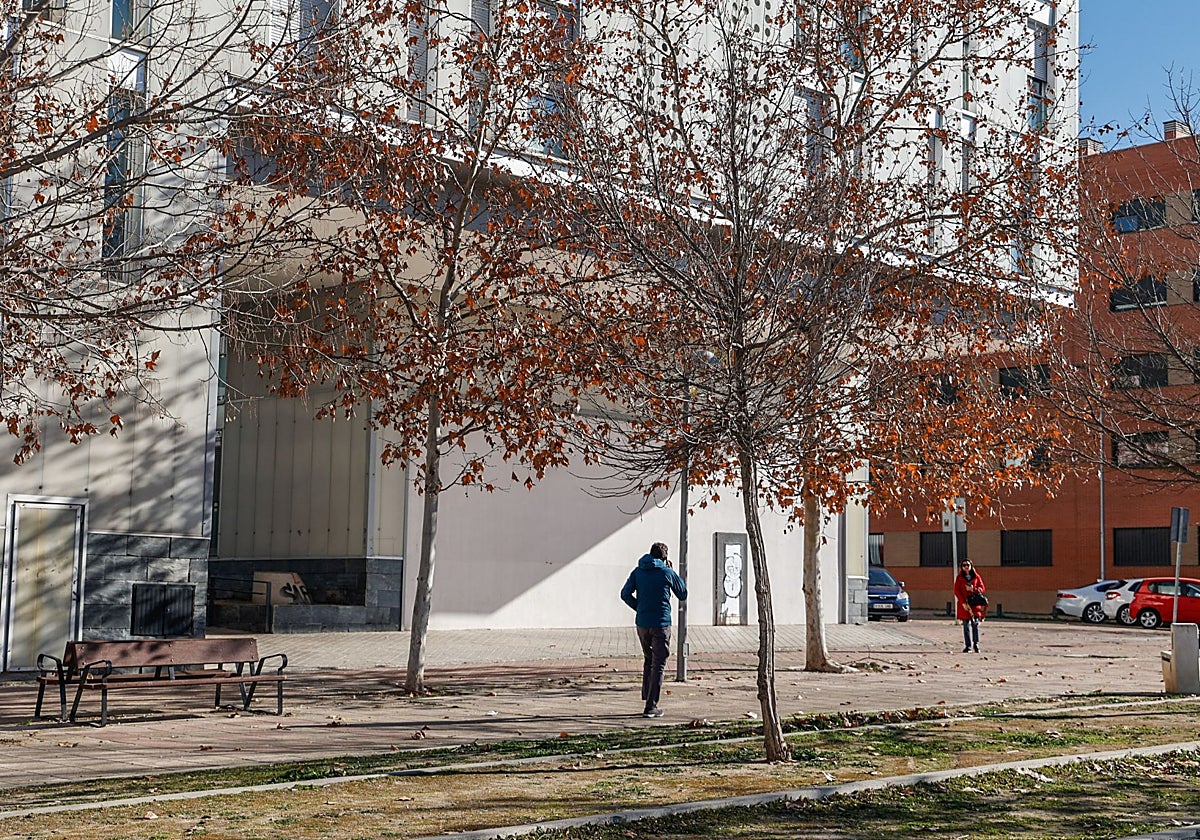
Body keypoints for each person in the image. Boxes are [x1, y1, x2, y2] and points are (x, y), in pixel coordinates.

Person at [620, 542, 687, 718]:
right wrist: (672, 571)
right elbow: (683, 593)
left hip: (642, 623)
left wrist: (640, 608)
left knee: (649, 659)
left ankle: (646, 695)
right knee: (659, 663)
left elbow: (625, 594)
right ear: (664, 557)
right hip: (661, 623)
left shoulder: (637, 571)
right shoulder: (666, 572)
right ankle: (651, 706)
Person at [954, 558, 987, 653]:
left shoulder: (976, 577)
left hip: (974, 605)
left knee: (975, 624)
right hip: (965, 605)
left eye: (967, 565)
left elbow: (982, 588)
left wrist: (974, 589)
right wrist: (963, 603)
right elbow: (957, 591)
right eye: (964, 565)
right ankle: (968, 646)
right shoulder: (959, 578)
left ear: (971, 566)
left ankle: (976, 644)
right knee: (966, 625)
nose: (966, 567)